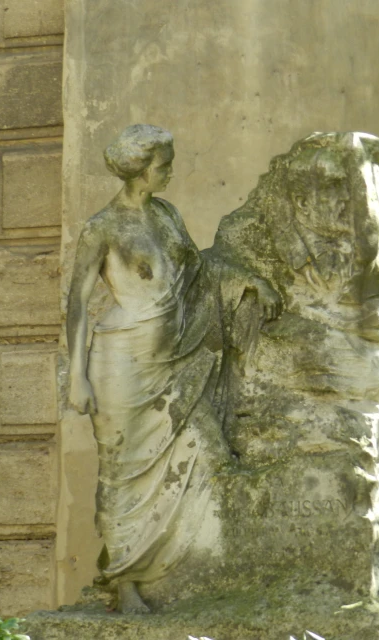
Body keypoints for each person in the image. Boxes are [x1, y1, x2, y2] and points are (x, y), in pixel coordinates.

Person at [66, 124, 281, 613]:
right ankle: (123, 581)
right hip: (121, 366)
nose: (170, 171)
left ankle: (192, 571)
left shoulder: (165, 213)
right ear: (141, 170)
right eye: (164, 164)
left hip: (174, 359)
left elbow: (199, 272)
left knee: (205, 451)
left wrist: (248, 282)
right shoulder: (104, 228)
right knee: (123, 471)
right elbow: (77, 304)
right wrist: (76, 377)